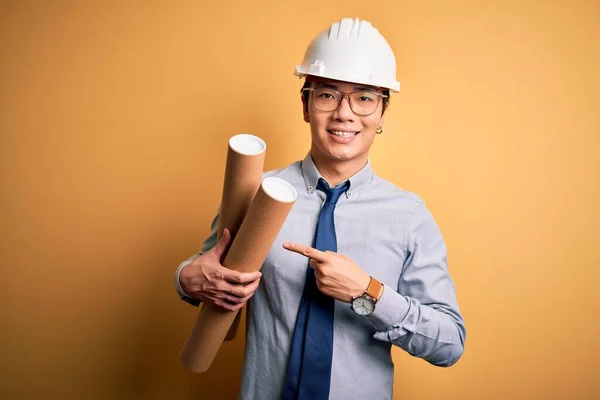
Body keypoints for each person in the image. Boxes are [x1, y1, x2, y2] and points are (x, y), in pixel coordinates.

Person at [174, 17, 466, 400]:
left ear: (382, 113)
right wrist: (186, 279)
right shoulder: (258, 194)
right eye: (328, 94)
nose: (345, 113)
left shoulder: (409, 216)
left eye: (364, 97)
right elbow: (203, 267)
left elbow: (449, 343)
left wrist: (368, 293)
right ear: (306, 105)